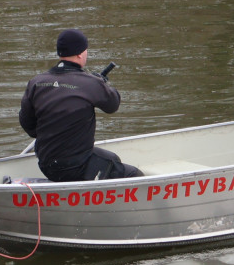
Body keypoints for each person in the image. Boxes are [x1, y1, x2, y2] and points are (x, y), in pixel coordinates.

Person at [19, 29, 143, 182]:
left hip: (46, 164)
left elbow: (28, 125)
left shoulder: (36, 82)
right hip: (76, 166)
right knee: (133, 174)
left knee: (112, 159)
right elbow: (113, 105)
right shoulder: (90, 83)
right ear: (80, 53)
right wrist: (102, 84)